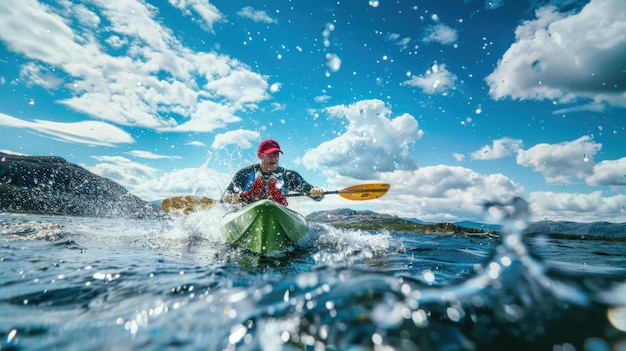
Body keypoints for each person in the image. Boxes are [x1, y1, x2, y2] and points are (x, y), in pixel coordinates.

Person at [222, 139, 324, 206]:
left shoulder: (289, 176)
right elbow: (225, 196)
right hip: (247, 210)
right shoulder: (245, 173)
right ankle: (248, 195)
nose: (274, 158)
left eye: (276, 154)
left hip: (277, 210)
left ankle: (276, 197)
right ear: (260, 156)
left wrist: (316, 192)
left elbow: (318, 197)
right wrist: (230, 197)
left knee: (275, 191)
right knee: (244, 198)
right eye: (269, 155)